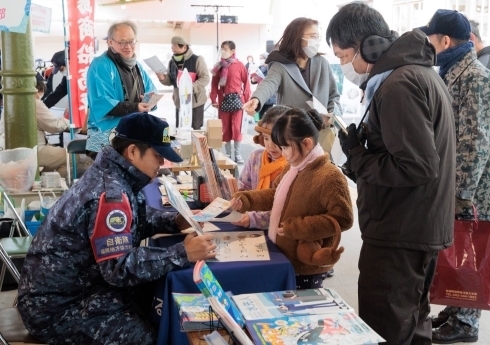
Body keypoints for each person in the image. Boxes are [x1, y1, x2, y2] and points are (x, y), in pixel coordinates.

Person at [17, 113, 217, 344]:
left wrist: (173, 222)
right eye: (157, 156)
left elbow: (130, 224)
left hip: (76, 289)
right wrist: (183, 253)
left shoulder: (114, 176)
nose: (162, 163)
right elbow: (118, 269)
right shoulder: (110, 194)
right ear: (132, 151)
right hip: (56, 309)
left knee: (161, 296)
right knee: (150, 337)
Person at [328, 2, 456, 344]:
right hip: (412, 224)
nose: (344, 66)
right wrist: (362, 156)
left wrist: (358, 157)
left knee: (386, 326)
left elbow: (417, 165)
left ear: (368, 45)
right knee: (411, 322)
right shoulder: (413, 73)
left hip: (401, 229)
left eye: (343, 56)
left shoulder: (400, 84)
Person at [417, 9, 490, 343]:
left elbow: (476, 141)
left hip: (471, 188)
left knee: (468, 247)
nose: (428, 46)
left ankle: (466, 321)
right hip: (453, 180)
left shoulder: (474, 76)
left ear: (444, 41)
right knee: (453, 246)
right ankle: (454, 307)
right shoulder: (450, 72)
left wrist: (461, 192)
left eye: (430, 39)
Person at [230, 108, 353, 289]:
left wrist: (297, 227)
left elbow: (344, 218)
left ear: (306, 144)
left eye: (285, 147)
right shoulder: (294, 166)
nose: (281, 152)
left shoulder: (330, 176)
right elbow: (275, 194)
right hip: (283, 254)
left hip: (305, 266)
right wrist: (247, 200)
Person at [242, 17, 340, 157]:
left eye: (318, 37)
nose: (316, 41)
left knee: (320, 175)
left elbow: (333, 95)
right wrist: (256, 99)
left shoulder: (322, 63)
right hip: (292, 137)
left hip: (321, 135)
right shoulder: (280, 65)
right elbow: (269, 83)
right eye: (312, 36)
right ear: (297, 37)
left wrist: (332, 115)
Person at [86, 20, 156, 156]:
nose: (128, 46)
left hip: (132, 134)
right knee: (111, 176)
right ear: (110, 42)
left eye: (131, 41)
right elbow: (102, 103)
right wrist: (135, 107)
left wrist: (149, 102)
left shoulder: (138, 67)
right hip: (106, 137)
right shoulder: (101, 65)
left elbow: (151, 91)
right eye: (122, 42)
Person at [233, 105, 290, 229]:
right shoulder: (255, 157)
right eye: (266, 138)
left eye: (276, 139)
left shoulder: (293, 167)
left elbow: (285, 209)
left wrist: (253, 219)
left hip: (278, 230)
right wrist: (238, 202)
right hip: (247, 220)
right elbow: (243, 188)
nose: (270, 145)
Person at [35, 80, 89, 179]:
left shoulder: (13, 101)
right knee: (71, 158)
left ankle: (44, 180)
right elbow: (54, 126)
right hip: (34, 150)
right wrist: (69, 122)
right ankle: (56, 186)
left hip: (20, 149)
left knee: (55, 159)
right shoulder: (35, 103)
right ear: (38, 90)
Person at [210, 40, 251, 164]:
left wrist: (247, 100)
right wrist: (213, 98)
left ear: (233, 51)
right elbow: (214, 84)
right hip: (223, 101)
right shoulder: (218, 67)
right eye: (221, 49)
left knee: (237, 128)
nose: (222, 51)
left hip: (238, 101)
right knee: (226, 128)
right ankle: (228, 153)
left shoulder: (240, 65)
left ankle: (237, 154)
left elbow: (246, 82)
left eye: (225, 49)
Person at [156, 36, 210, 130]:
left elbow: (205, 78)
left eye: (175, 47)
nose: (173, 49)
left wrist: (189, 87)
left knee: (195, 130)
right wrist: (163, 78)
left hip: (195, 103)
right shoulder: (171, 62)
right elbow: (171, 81)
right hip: (179, 102)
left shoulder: (197, 60)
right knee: (180, 129)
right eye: (172, 47)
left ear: (184, 47)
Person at [251, 52, 277, 120]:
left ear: (266, 58)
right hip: (261, 92)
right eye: (260, 58)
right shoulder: (259, 68)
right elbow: (256, 79)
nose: (260, 59)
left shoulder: (272, 68)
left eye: (262, 58)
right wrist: (253, 80)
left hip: (269, 94)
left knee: (267, 114)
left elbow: (271, 81)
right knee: (260, 113)